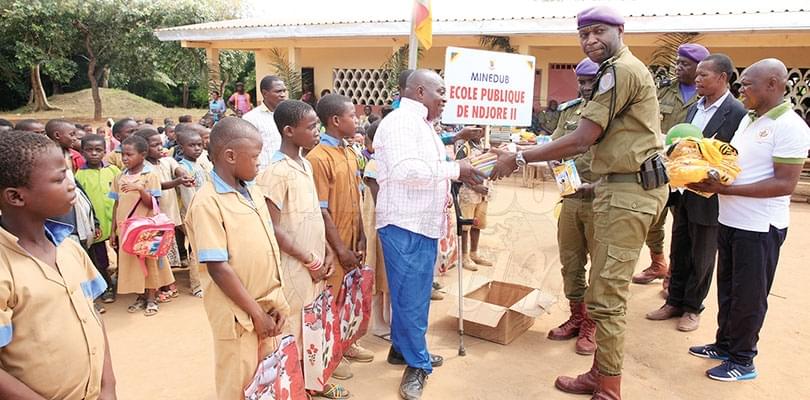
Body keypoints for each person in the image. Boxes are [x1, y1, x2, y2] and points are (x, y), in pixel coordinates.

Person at [490, 7, 669, 399]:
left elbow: (580, 140)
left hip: (628, 192)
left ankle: (608, 388)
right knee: (600, 286)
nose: (590, 40)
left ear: (620, 30)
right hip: (618, 189)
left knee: (607, 295)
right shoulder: (616, 70)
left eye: (599, 31)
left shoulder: (619, 70)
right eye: (583, 34)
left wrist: (518, 158)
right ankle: (601, 371)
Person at [687, 58, 810, 381]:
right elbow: (737, 167)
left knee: (749, 296)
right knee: (728, 289)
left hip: (758, 228)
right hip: (730, 220)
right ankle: (724, 344)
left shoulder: (791, 127)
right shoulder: (749, 121)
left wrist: (728, 189)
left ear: (773, 84)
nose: (742, 88)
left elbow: (785, 184)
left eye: (748, 84)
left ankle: (743, 360)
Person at [374, 69, 484, 399]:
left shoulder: (421, 124)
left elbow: (430, 162)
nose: (445, 98)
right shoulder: (399, 124)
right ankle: (418, 364)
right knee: (411, 297)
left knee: (414, 293)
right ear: (420, 92)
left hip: (420, 222)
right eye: (441, 92)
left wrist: (464, 171)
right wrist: (457, 170)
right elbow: (407, 171)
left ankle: (401, 349)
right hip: (405, 224)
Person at [0, 131, 117, 400]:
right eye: (58, 178)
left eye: (68, 173)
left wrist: (108, 386)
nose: (71, 184)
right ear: (16, 197)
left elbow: (93, 318)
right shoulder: (4, 267)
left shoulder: (68, 247)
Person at [184, 117, 288, 400]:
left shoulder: (253, 191)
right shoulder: (208, 202)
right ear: (230, 156)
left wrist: (273, 303)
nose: (259, 162)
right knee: (238, 383)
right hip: (239, 315)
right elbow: (218, 268)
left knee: (265, 379)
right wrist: (255, 313)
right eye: (254, 156)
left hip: (266, 307)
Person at [645, 53, 746, 332]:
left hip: (710, 195)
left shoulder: (736, 113)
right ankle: (674, 301)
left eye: (704, 75)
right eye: (697, 74)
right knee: (680, 247)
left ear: (723, 78)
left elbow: (734, 157)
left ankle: (692, 308)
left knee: (702, 255)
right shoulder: (694, 108)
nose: (697, 79)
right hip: (684, 190)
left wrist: (714, 178)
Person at [256, 100, 349, 399]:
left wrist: (327, 251)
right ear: (289, 131)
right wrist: (308, 259)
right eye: (310, 127)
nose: (317, 131)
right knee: (293, 329)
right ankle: (295, 389)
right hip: (294, 266)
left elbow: (312, 215)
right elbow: (273, 226)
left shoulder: (305, 164)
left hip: (315, 263)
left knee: (313, 325)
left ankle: (314, 382)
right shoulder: (276, 171)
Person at [633, 43, 709, 289]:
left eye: (685, 64)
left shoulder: (706, 95)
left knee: (682, 224)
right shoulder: (663, 91)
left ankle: (673, 274)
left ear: (700, 69)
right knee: (653, 218)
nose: (678, 67)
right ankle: (658, 262)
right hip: (659, 165)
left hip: (690, 169)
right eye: (677, 62)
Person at [308, 93, 373, 377]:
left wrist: (360, 237)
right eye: (352, 115)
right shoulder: (318, 158)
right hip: (334, 248)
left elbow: (355, 199)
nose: (357, 119)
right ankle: (330, 355)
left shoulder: (348, 152)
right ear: (335, 120)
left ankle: (346, 344)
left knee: (349, 298)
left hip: (352, 241)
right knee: (330, 301)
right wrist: (340, 249)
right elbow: (323, 211)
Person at [546, 57, 600, 356]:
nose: (586, 87)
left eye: (592, 81)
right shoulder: (570, 111)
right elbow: (557, 143)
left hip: (601, 199)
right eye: (582, 81)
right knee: (571, 261)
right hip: (570, 197)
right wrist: (554, 160)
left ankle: (592, 323)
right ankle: (576, 316)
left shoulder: (615, 112)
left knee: (600, 266)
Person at [109, 135, 175, 316]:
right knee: (132, 264)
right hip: (125, 229)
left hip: (147, 228)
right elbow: (116, 205)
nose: (124, 158)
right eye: (123, 154)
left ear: (143, 155)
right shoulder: (119, 176)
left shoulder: (150, 176)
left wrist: (140, 190)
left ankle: (152, 298)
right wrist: (113, 231)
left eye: (129, 155)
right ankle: (140, 296)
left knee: (149, 262)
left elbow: (154, 203)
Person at [134, 127, 193, 297]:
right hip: (156, 216)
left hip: (172, 212)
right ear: (144, 150)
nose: (161, 148)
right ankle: (162, 284)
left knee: (169, 246)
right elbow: (157, 186)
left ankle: (168, 281)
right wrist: (178, 182)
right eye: (155, 145)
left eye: (161, 144)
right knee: (159, 251)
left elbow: (177, 168)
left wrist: (184, 175)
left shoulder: (166, 161)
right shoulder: (144, 168)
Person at [76, 134, 122, 305]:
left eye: (98, 150)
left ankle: (124, 280)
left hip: (117, 222)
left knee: (123, 253)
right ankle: (107, 286)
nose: (94, 153)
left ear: (105, 151)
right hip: (96, 225)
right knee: (100, 258)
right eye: (89, 150)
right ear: (82, 152)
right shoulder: (79, 175)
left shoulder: (113, 171)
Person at [176, 128, 209, 297]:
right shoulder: (182, 168)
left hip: (205, 211)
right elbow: (188, 197)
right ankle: (197, 285)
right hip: (192, 213)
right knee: (197, 249)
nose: (197, 148)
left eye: (199, 145)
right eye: (192, 145)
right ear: (181, 147)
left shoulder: (201, 163)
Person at [455, 131, 494, 272]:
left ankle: (474, 252)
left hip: (484, 192)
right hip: (469, 192)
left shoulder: (485, 146)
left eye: (482, 128)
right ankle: (464, 256)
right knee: (466, 225)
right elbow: (457, 171)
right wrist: (474, 186)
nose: (479, 132)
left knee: (478, 223)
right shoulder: (464, 149)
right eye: (476, 128)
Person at [243, 75, 288, 171]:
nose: (283, 94)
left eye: (284, 91)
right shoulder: (251, 118)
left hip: (289, 172)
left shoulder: (290, 115)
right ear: (265, 93)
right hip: (264, 174)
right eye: (278, 91)